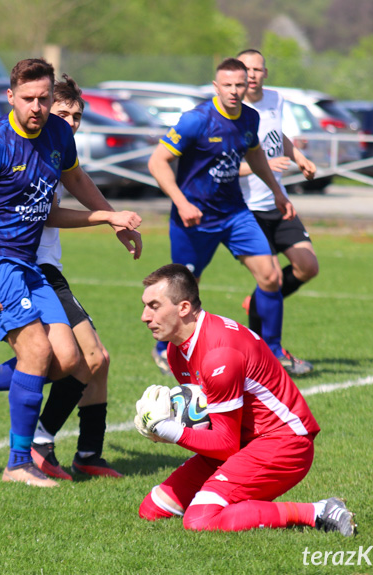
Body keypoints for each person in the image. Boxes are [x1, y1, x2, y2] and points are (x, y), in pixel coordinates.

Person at [0, 59, 141, 487]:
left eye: (44, 99)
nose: (37, 107)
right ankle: (18, 462)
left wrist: (111, 216)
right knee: (36, 350)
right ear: (10, 97)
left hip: (29, 263)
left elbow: (77, 177)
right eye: (28, 99)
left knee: (68, 361)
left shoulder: (58, 134)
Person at [134, 263, 356, 536]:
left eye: (154, 306)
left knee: (200, 519)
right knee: (152, 509)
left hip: (283, 442)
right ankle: (237, 499)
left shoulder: (219, 354)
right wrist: (170, 422)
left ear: (183, 308)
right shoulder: (176, 351)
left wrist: (169, 430)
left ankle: (319, 511)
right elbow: (211, 421)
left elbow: (225, 444)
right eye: (145, 306)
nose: (145, 316)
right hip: (243, 439)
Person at [147, 57, 297, 377]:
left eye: (239, 85)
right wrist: (182, 202)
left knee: (271, 276)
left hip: (234, 213)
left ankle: (272, 351)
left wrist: (278, 193)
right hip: (194, 219)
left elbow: (255, 154)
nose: (233, 91)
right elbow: (157, 162)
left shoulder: (250, 118)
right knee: (183, 290)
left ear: (248, 86)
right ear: (216, 86)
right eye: (227, 85)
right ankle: (163, 348)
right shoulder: (195, 120)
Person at [236, 49, 319, 375]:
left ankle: (258, 302)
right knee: (268, 277)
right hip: (246, 209)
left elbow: (276, 135)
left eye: (258, 69)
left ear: (265, 73)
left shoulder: (275, 99)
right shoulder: (231, 111)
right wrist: (261, 166)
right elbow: (222, 163)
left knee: (307, 266)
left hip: (277, 201)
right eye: (246, 69)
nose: (252, 74)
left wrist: (297, 156)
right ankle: (273, 351)